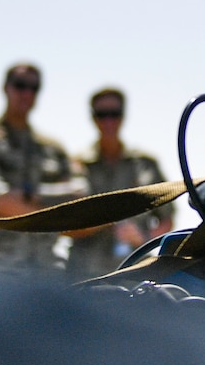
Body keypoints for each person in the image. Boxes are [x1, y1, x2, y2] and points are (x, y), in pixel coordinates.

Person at [0, 63, 89, 276]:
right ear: (6, 88)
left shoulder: (53, 150)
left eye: (34, 88)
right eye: (20, 85)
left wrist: (28, 196)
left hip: (46, 278)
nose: (26, 93)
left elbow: (81, 206)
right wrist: (55, 209)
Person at [66, 88, 173, 282]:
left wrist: (143, 239)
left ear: (123, 116)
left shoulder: (145, 164)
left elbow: (167, 219)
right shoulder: (77, 165)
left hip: (135, 275)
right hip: (85, 278)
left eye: (114, 114)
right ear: (93, 117)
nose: (108, 122)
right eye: (102, 114)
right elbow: (63, 225)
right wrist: (106, 218)